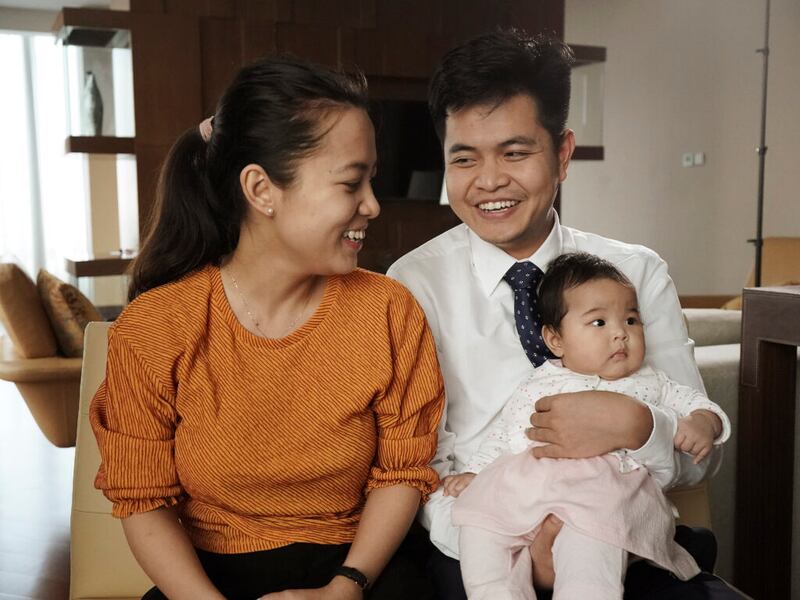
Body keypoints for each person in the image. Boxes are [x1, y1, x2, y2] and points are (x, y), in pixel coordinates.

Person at [387, 29, 746, 599]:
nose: (489, 181)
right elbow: (421, 465)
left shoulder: (636, 272)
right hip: (476, 549)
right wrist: (516, 547)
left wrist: (640, 427)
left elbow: (701, 455)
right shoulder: (411, 284)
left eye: (515, 153)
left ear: (562, 154)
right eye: (465, 158)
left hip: (625, 537)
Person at [89, 56, 444, 600]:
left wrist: (345, 587)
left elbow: (403, 472)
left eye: (371, 181)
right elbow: (143, 499)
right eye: (351, 183)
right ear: (260, 189)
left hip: (360, 570)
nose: (372, 205)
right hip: (205, 582)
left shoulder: (390, 311)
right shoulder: (155, 327)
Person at [442, 252, 731, 599]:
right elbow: (506, 432)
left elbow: (698, 404)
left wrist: (704, 421)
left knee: (589, 553)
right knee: (480, 525)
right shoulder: (538, 384)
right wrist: (475, 472)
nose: (620, 334)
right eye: (599, 323)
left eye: (631, 320)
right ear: (555, 340)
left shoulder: (652, 381)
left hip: (605, 496)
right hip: (530, 491)